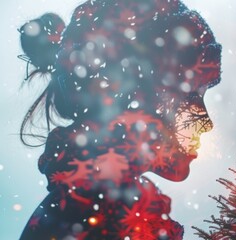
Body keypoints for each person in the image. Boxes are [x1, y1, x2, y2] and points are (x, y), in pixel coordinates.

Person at [18, 0, 221, 239]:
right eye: (193, 95)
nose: (206, 122)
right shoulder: (112, 216)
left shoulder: (82, 202)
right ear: (142, 99)